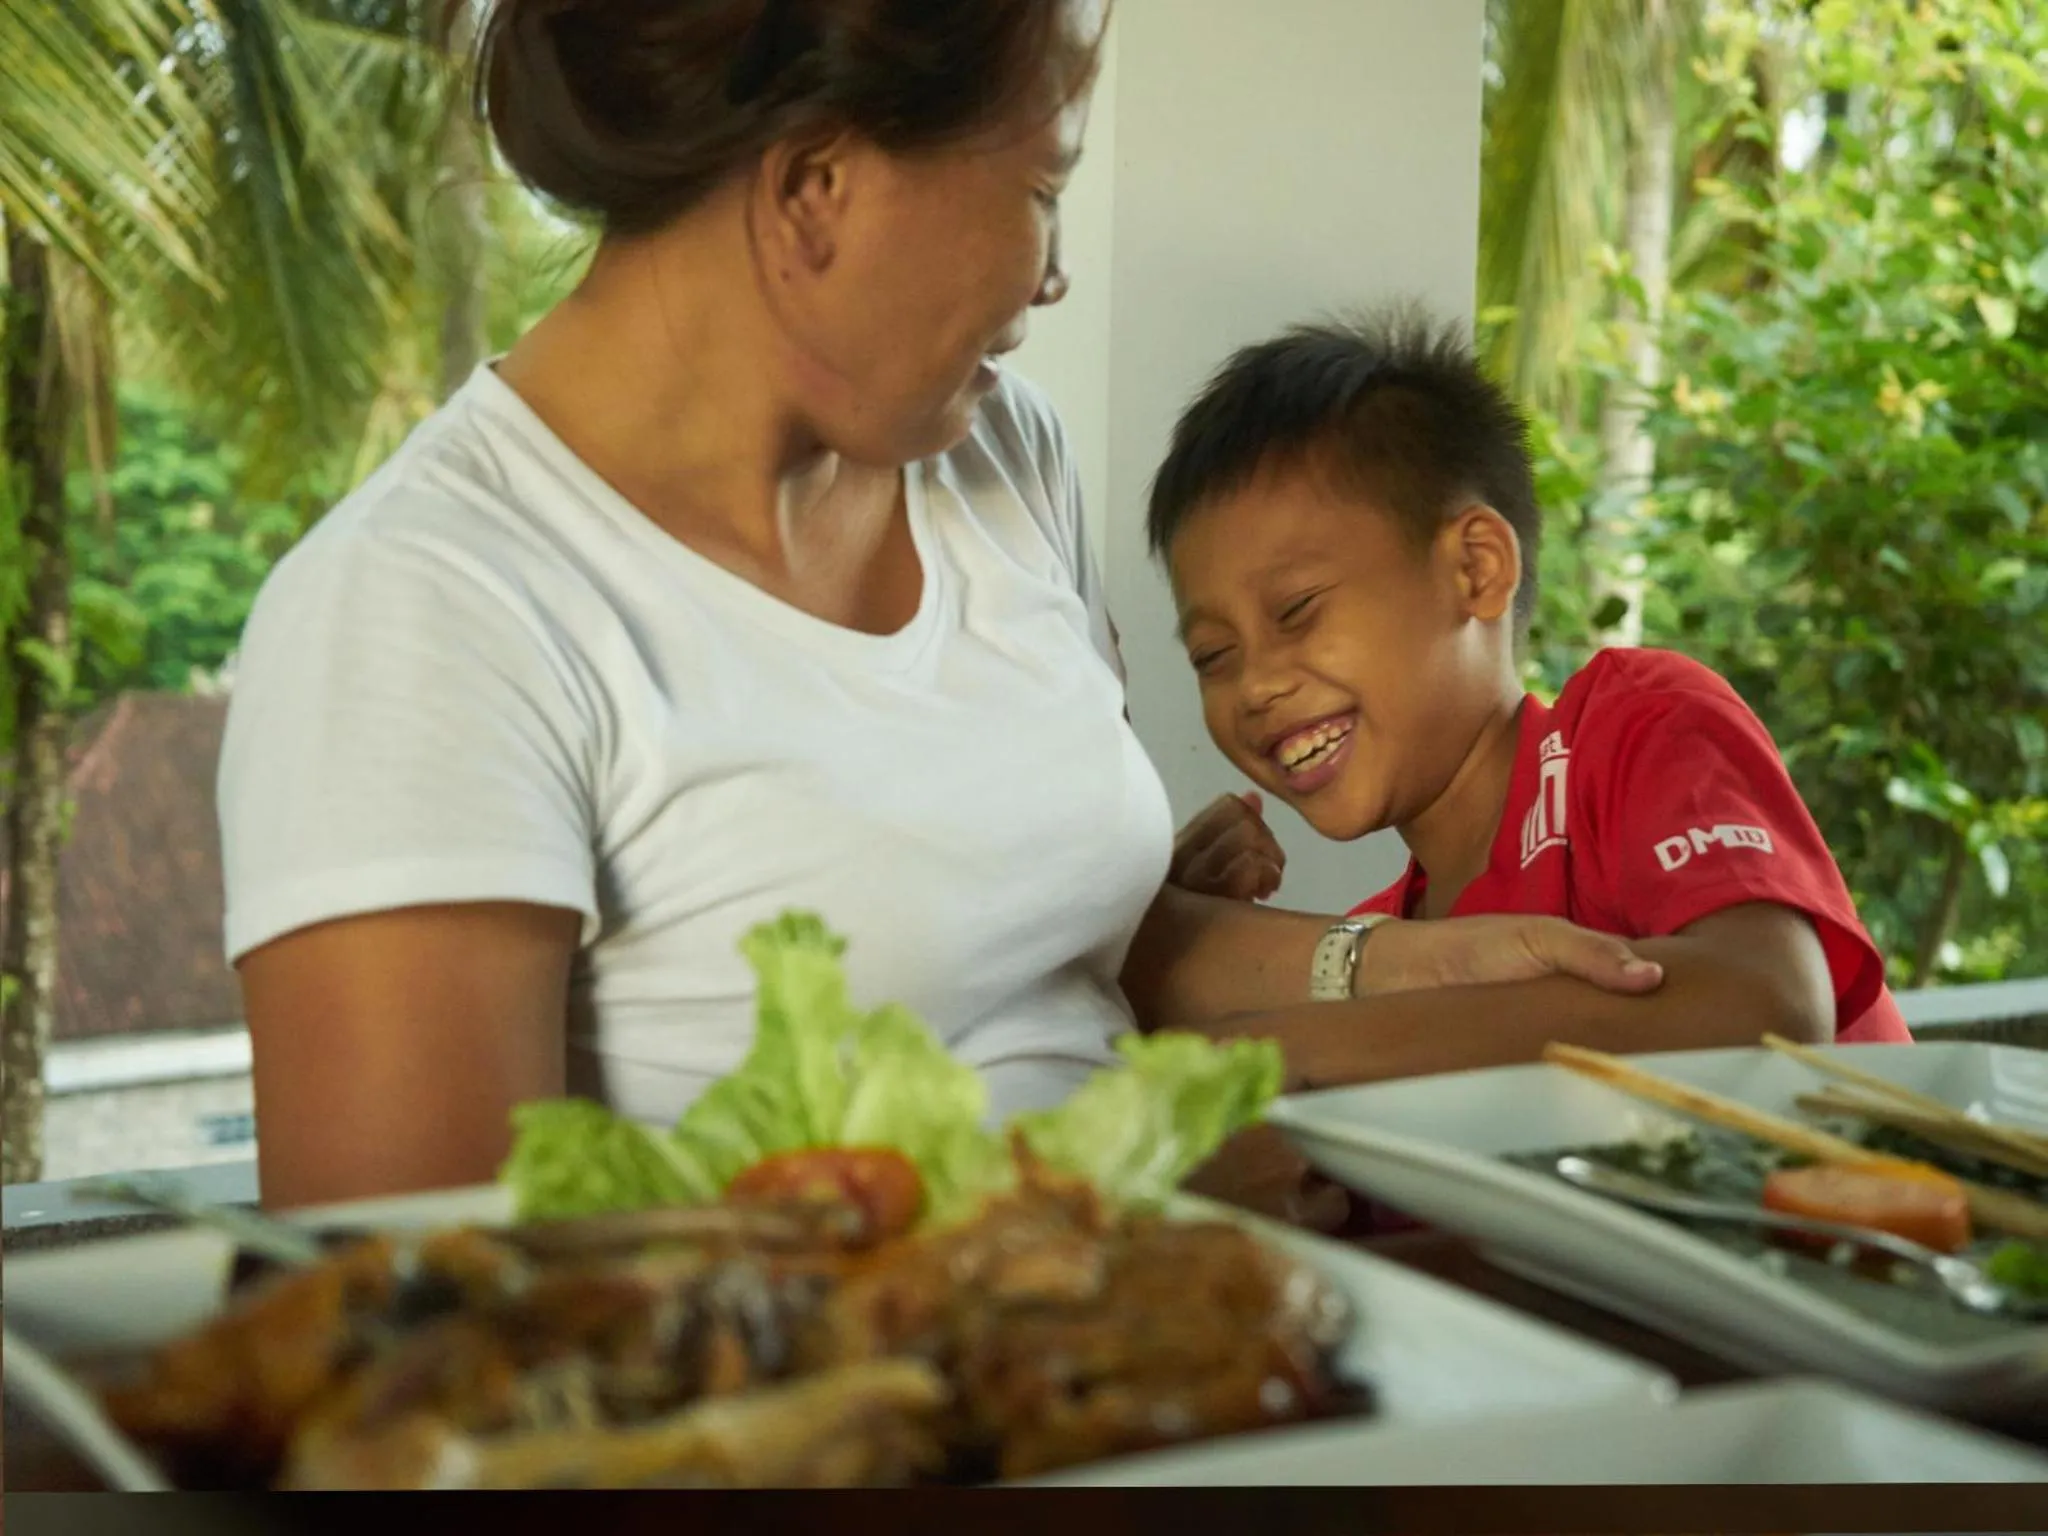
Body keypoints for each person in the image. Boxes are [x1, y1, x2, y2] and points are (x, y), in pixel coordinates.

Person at [218, 0, 1665, 1217]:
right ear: (815, 190)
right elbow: (412, 1316)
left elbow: (1064, 945)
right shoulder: (425, 612)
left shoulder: (999, 456)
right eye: (1039, 188)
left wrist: (1404, 963)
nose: (1055, 271)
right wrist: (1080, 1205)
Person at [1153, 307, 1913, 1089]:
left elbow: (1764, 1001)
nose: (1257, 686)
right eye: (1214, 656)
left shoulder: (1635, 730)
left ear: (1475, 569)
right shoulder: (1383, 943)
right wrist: (1190, 945)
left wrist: (1275, 1049)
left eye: (1297, 611)